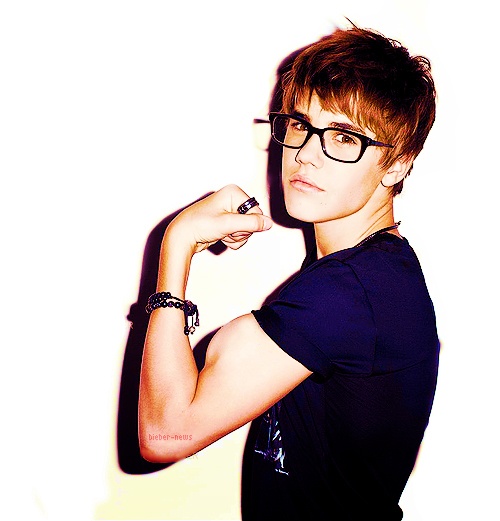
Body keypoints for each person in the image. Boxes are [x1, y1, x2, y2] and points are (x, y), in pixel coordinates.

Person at [138, 25, 439, 520]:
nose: (306, 153)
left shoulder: (348, 293)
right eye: (300, 125)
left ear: (397, 163)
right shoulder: (372, 275)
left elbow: (164, 433)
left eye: (344, 136)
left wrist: (177, 244)